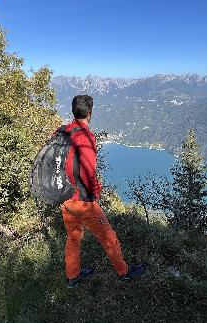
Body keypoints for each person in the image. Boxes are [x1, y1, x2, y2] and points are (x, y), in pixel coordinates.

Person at [61, 95, 146, 288]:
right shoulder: (85, 137)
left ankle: (72, 276)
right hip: (81, 200)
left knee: (73, 237)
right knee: (108, 236)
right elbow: (89, 172)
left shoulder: (63, 132)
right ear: (90, 114)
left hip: (63, 197)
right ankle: (124, 272)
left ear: (73, 111)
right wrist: (95, 194)